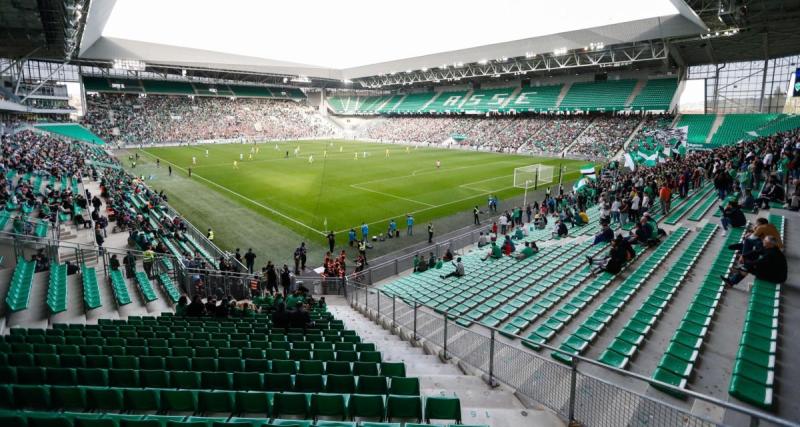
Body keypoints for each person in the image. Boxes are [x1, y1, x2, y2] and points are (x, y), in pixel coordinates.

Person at [721, 236, 787, 286]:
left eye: (765, 241)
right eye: (764, 240)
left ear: (770, 244)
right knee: (748, 266)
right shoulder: (769, 247)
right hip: (771, 269)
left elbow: (759, 262)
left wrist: (746, 263)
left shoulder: (772, 253)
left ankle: (739, 271)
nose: (763, 241)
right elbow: (756, 252)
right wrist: (743, 255)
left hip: (776, 276)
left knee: (749, 267)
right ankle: (738, 273)